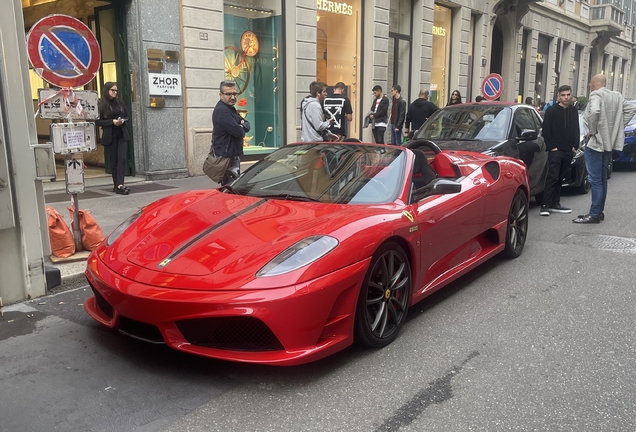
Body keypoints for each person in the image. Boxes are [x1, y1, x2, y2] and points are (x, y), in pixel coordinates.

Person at [573, 74, 636, 223]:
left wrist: (593, 130)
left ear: (594, 83)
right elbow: (631, 109)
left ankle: (594, 213)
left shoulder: (596, 95)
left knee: (596, 180)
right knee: (602, 179)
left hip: (596, 142)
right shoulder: (616, 96)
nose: (589, 85)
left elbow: (594, 112)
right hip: (608, 142)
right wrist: (618, 127)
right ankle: (598, 211)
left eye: (590, 83)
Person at [539, 84, 579, 216]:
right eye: (563, 95)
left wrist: (575, 145)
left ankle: (555, 203)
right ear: (558, 96)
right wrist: (552, 147)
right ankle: (545, 205)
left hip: (569, 149)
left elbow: (576, 128)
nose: (566, 97)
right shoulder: (552, 110)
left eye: (568, 95)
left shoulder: (573, 111)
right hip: (556, 150)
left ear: (571, 95)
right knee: (553, 177)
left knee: (561, 177)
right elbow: (546, 129)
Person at [212, 80, 250, 185]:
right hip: (227, 156)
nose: (233, 97)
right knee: (230, 186)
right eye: (229, 94)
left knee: (233, 185)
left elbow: (247, 124)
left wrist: (242, 124)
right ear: (221, 95)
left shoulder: (230, 108)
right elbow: (239, 132)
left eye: (234, 94)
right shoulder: (222, 111)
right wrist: (241, 125)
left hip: (232, 154)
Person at [96, 82, 130, 195]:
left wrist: (122, 121)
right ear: (107, 90)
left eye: (116, 91)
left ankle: (120, 184)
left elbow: (127, 115)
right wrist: (112, 122)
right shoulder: (101, 104)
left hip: (122, 133)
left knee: (122, 159)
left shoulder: (120, 102)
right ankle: (116, 185)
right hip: (110, 135)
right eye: (112, 90)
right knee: (114, 161)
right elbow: (98, 121)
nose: (115, 93)